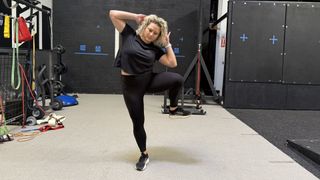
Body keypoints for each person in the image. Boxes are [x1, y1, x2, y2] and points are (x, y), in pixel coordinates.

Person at [108, 10, 191, 171]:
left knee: (177, 79)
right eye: (150, 30)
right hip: (131, 87)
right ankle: (144, 154)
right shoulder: (129, 35)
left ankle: (173, 110)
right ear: (144, 27)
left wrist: (167, 44)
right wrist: (135, 17)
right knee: (138, 122)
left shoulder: (155, 49)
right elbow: (113, 14)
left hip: (148, 80)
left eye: (155, 33)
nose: (151, 34)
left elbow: (172, 63)